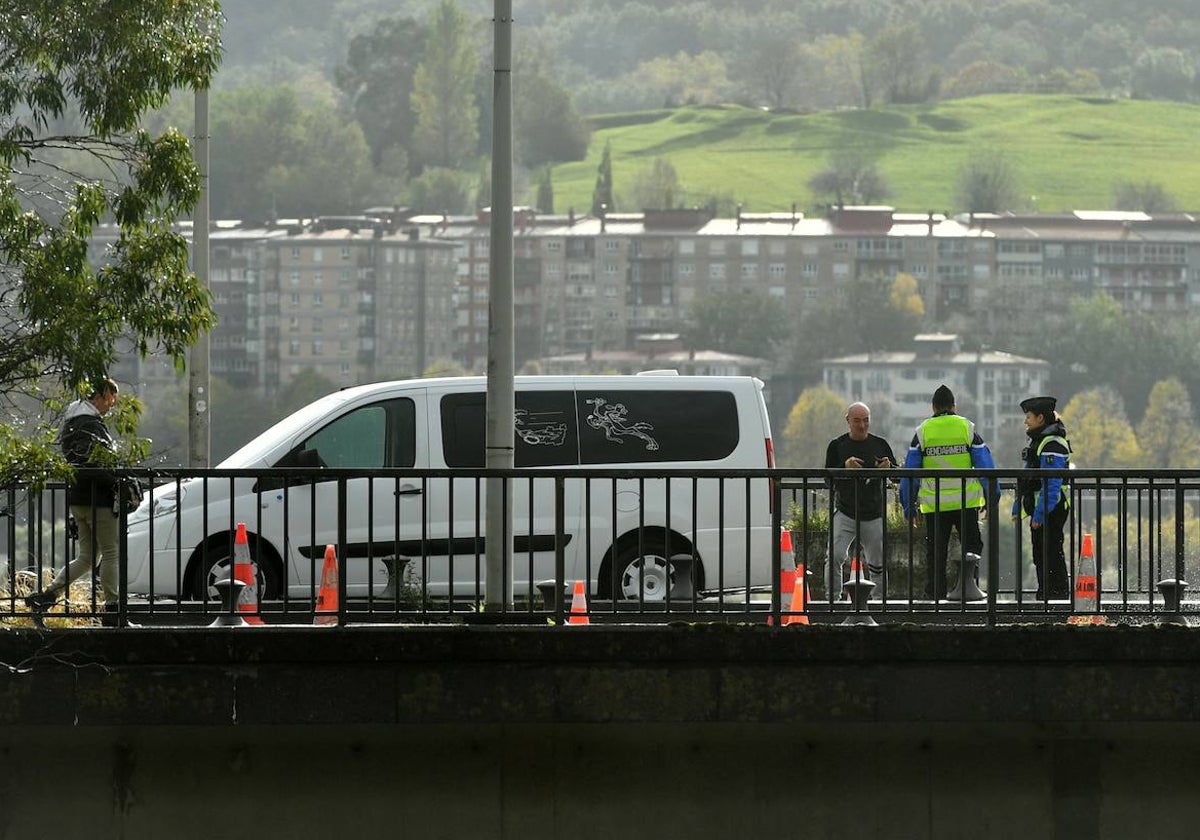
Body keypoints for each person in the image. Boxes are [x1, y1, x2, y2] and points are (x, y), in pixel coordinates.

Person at [26, 377, 126, 613]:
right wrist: (118, 480)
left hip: (79, 499)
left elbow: (77, 462)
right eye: (110, 399)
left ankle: (49, 594)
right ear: (98, 396)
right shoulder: (90, 424)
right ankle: (114, 609)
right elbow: (96, 463)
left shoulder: (71, 423)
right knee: (111, 552)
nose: (111, 405)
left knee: (88, 557)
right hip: (98, 499)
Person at [899, 384, 997, 600]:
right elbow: (986, 467)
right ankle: (970, 593)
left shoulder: (922, 432)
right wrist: (992, 500)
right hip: (966, 503)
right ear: (954, 406)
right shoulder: (967, 428)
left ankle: (935, 597)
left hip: (936, 506)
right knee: (971, 551)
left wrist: (909, 506)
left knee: (936, 553)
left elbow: (909, 474)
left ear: (933, 407)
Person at [824, 402, 896, 600]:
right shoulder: (837, 445)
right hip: (845, 511)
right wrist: (844, 467)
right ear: (847, 421)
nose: (862, 426)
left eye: (866, 421)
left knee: (878, 562)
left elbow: (897, 476)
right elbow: (827, 479)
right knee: (835, 557)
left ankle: (878, 602)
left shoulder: (880, 444)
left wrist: (888, 468)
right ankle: (833, 601)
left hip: (873, 513)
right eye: (857, 421)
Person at [1012, 395, 1072, 600]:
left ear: (1040, 418)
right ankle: (1046, 594)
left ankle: (1057, 596)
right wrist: (1016, 509)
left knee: (1051, 552)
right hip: (1042, 508)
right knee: (1041, 553)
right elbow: (1027, 479)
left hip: (1050, 508)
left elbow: (1052, 485)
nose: (1025, 421)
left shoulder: (1052, 443)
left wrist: (1039, 514)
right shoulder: (1039, 441)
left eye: (1028, 417)